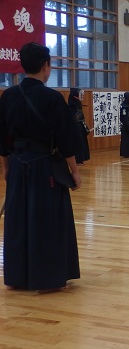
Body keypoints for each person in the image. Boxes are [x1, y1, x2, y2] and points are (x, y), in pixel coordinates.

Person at [0, 42, 81, 291]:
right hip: (44, 167)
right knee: (48, 220)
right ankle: (47, 277)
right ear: (46, 66)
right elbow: (66, 139)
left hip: (17, 165)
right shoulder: (52, 98)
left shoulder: (8, 96)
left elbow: (2, 138)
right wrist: (74, 171)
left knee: (18, 220)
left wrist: (6, 168)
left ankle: (18, 276)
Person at [68, 87, 90, 165]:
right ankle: (77, 160)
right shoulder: (71, 106)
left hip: (81, 126)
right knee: (78, 143)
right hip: (75, 127)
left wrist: (85, 127)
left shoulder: (78, 105)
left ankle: (82, 159)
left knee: (83, 143)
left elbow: (81, 117)